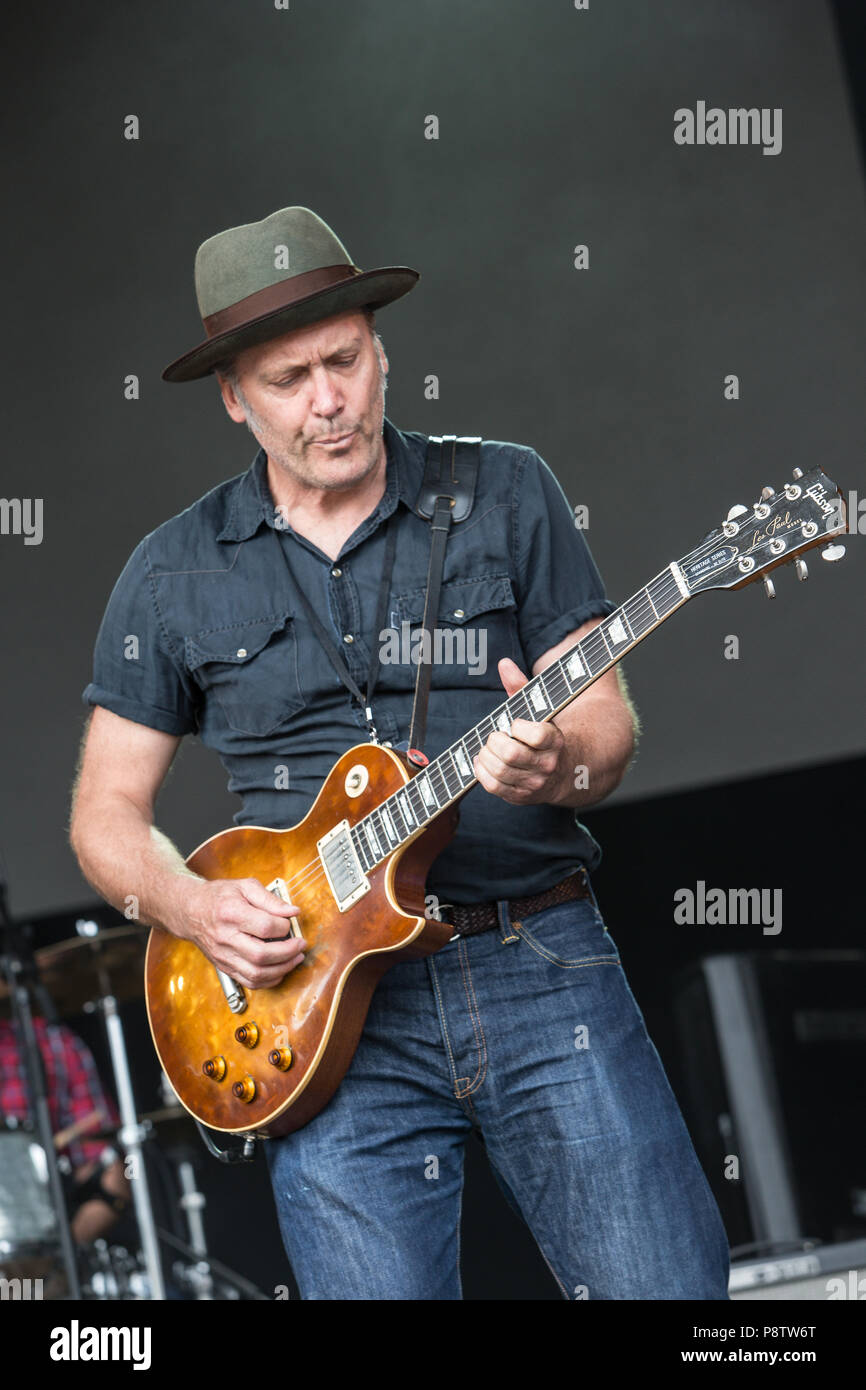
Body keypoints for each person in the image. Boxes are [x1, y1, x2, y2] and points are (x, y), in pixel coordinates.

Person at [70, 205, 730, 1300]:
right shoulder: (171, 572)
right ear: (235, 398)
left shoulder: (504, 489)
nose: (328, 399)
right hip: (318, 1018)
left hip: (535, 959)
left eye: (346, 358)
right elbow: (104, 812)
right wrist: (189, 907)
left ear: (380, 351)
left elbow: (603, 726)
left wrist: (553, 762)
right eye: (289, 378)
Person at [0, 1015, 130, 1245]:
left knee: (116, 1176)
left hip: (46, 1221)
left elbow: (107, 1165)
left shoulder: (51, 1041)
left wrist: (58, 1261)